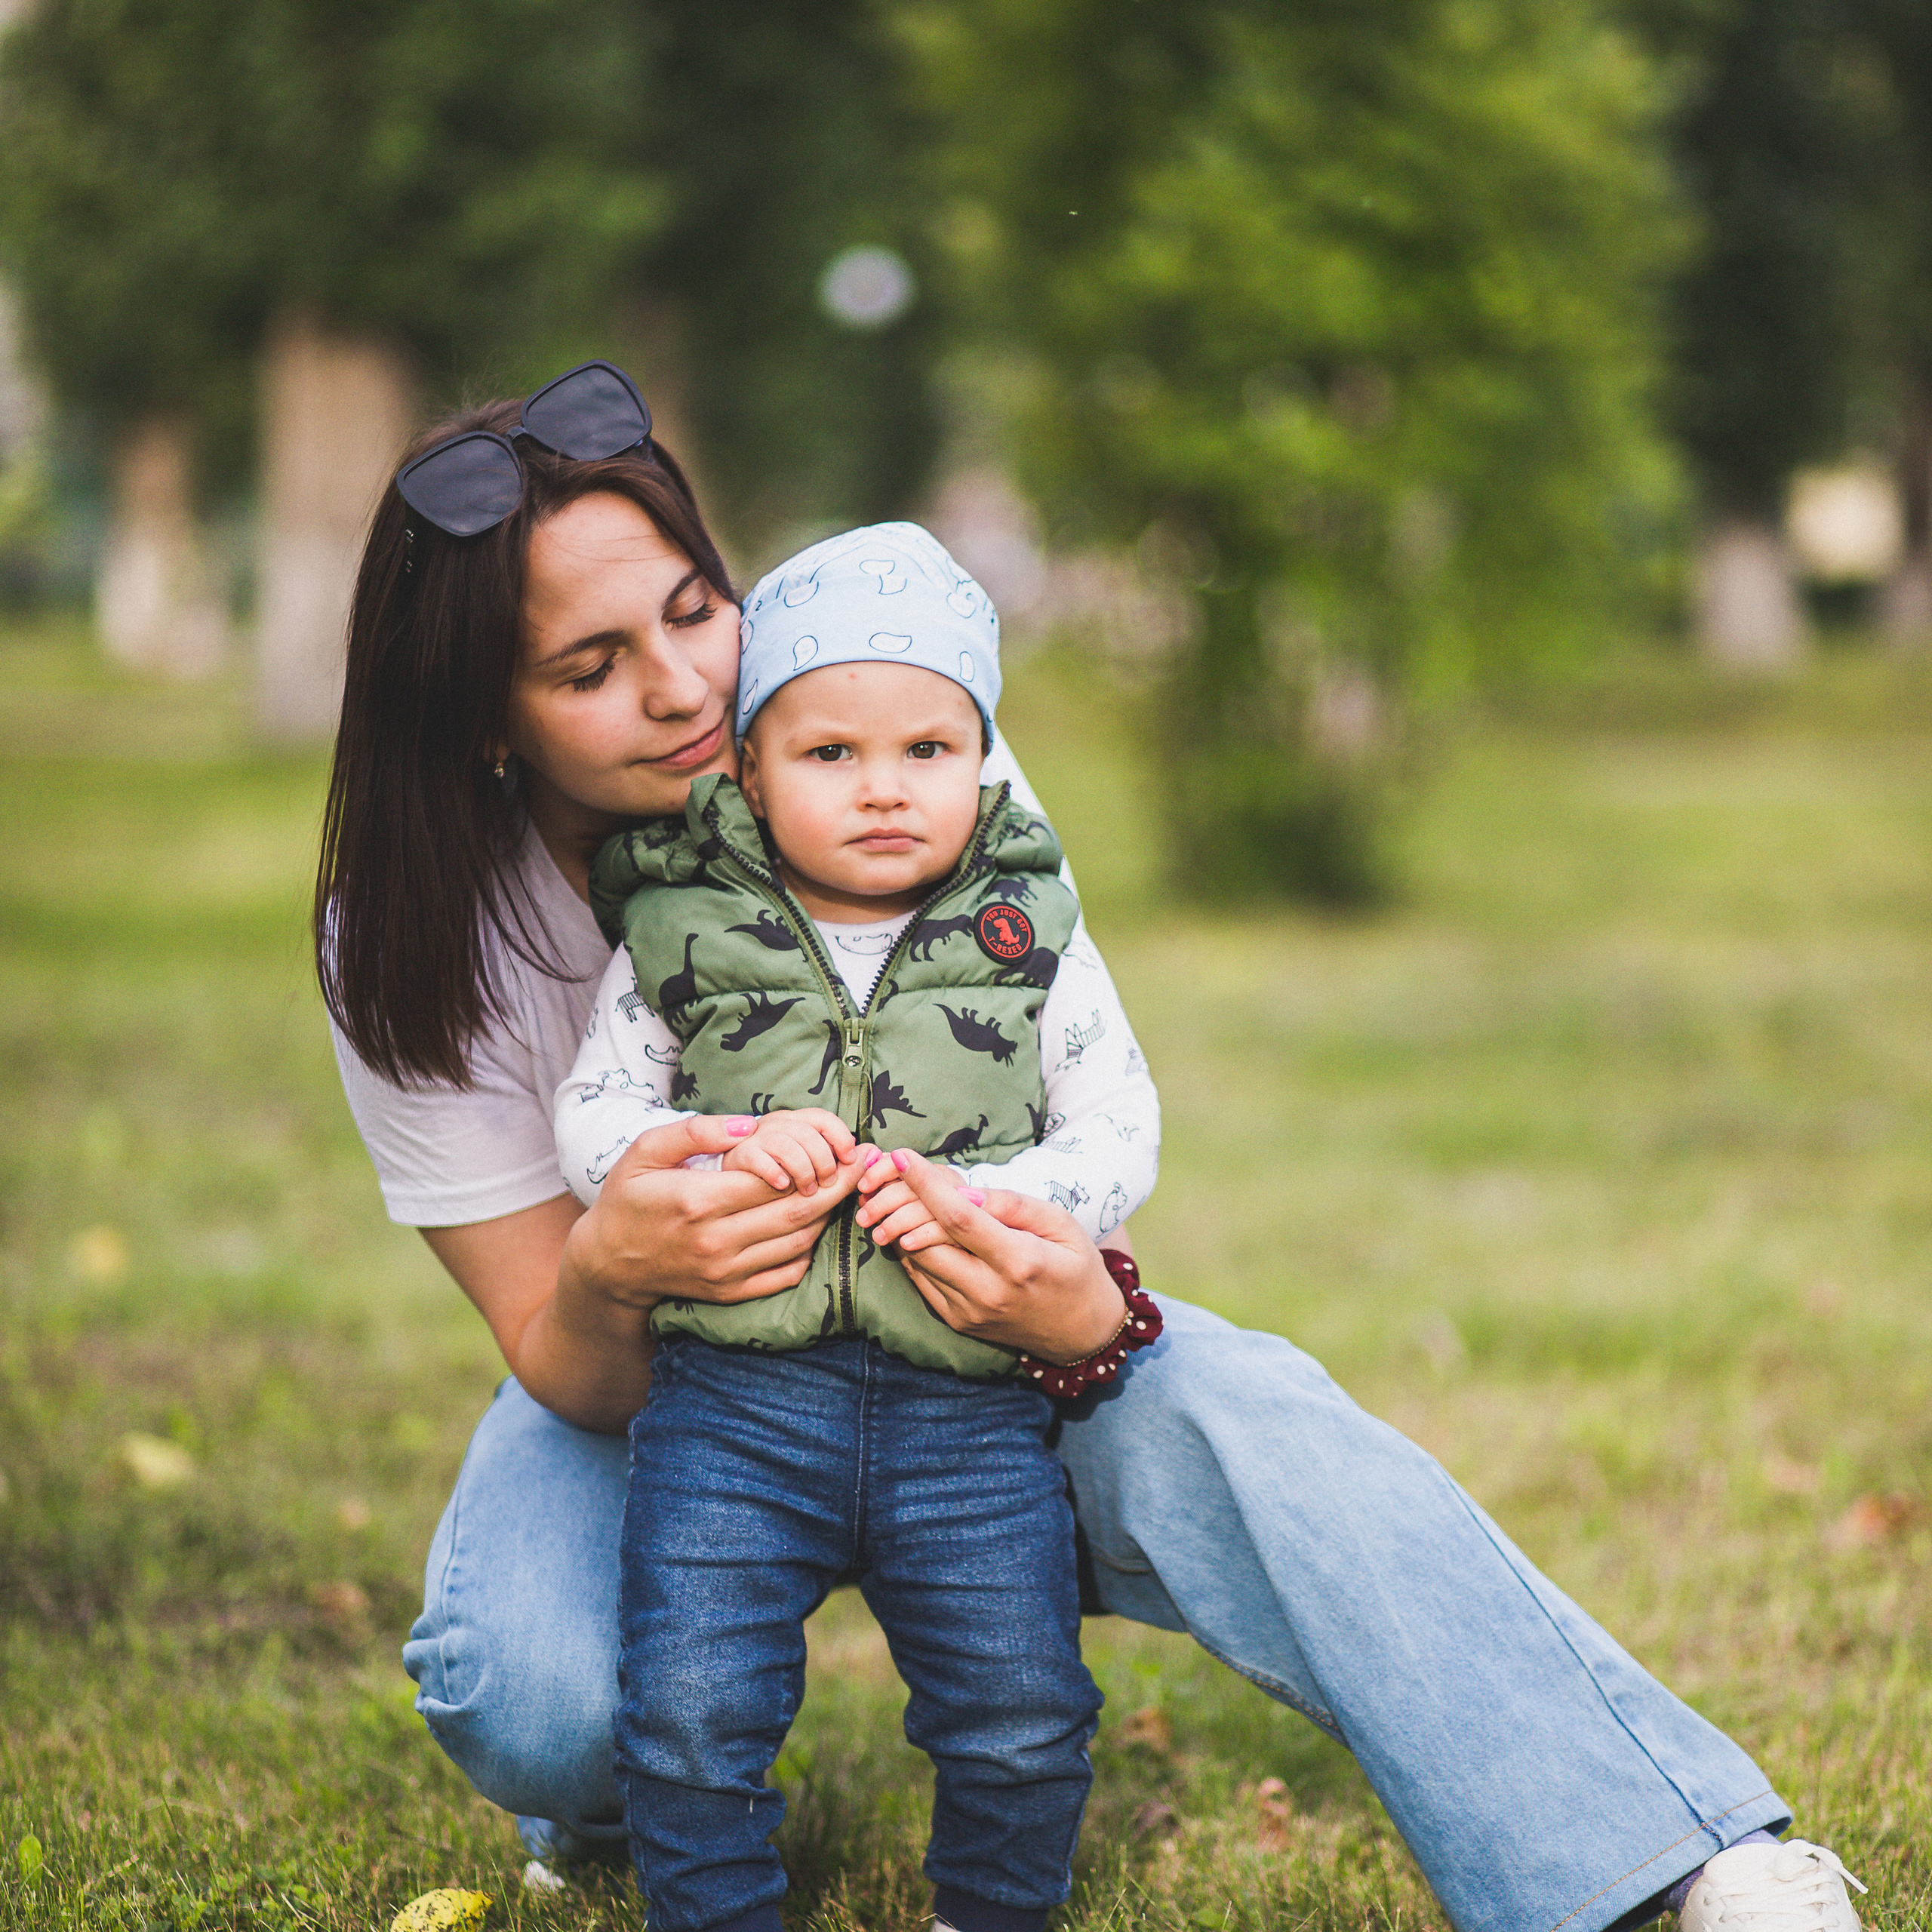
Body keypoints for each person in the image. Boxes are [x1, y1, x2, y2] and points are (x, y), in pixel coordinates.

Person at [317, 361, 1863, 1932]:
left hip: (970, 1357)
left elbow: (1062, 1103)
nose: (681, 687)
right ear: (484, 727)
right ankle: (615, 1801)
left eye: (693, 607)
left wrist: (1077, 1319)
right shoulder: (406, 940)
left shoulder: (884, 727)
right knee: (535, 1693)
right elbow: (556, 1354)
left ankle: (1674, 1854)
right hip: (675, 1391)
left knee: (1252, 1423)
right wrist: (611, 1266)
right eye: (587, 666)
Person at [553, 520, 1163, 1932]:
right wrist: (694, 1152)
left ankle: (993, 1909)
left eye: (928, 752)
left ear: (984, 758)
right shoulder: (680, 931)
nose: (884, 790)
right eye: (830, 755)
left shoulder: (1034, 938)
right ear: (753, 772)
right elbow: (593, 1111)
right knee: (691, 1704)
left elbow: (1120, 1128)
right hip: (732, 1403)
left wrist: (1004, 1202)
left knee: (1018, 1701)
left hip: (968, 1404)